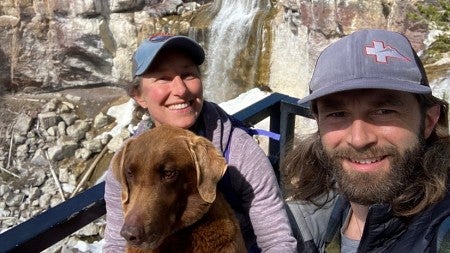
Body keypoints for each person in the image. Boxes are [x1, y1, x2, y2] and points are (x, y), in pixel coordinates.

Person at [102, 34, 297, 252]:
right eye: (163, 78)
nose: (181, 90)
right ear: (138, 95)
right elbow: (117, 244)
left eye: (188, 74)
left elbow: (277, 241)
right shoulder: (128, 161)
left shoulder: (239, 151)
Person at [282, 29, 450, 252]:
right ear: (318, 123)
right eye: (337, 114)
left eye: (383, 111)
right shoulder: (316, 217)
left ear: (429, 121)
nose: (359, 140)